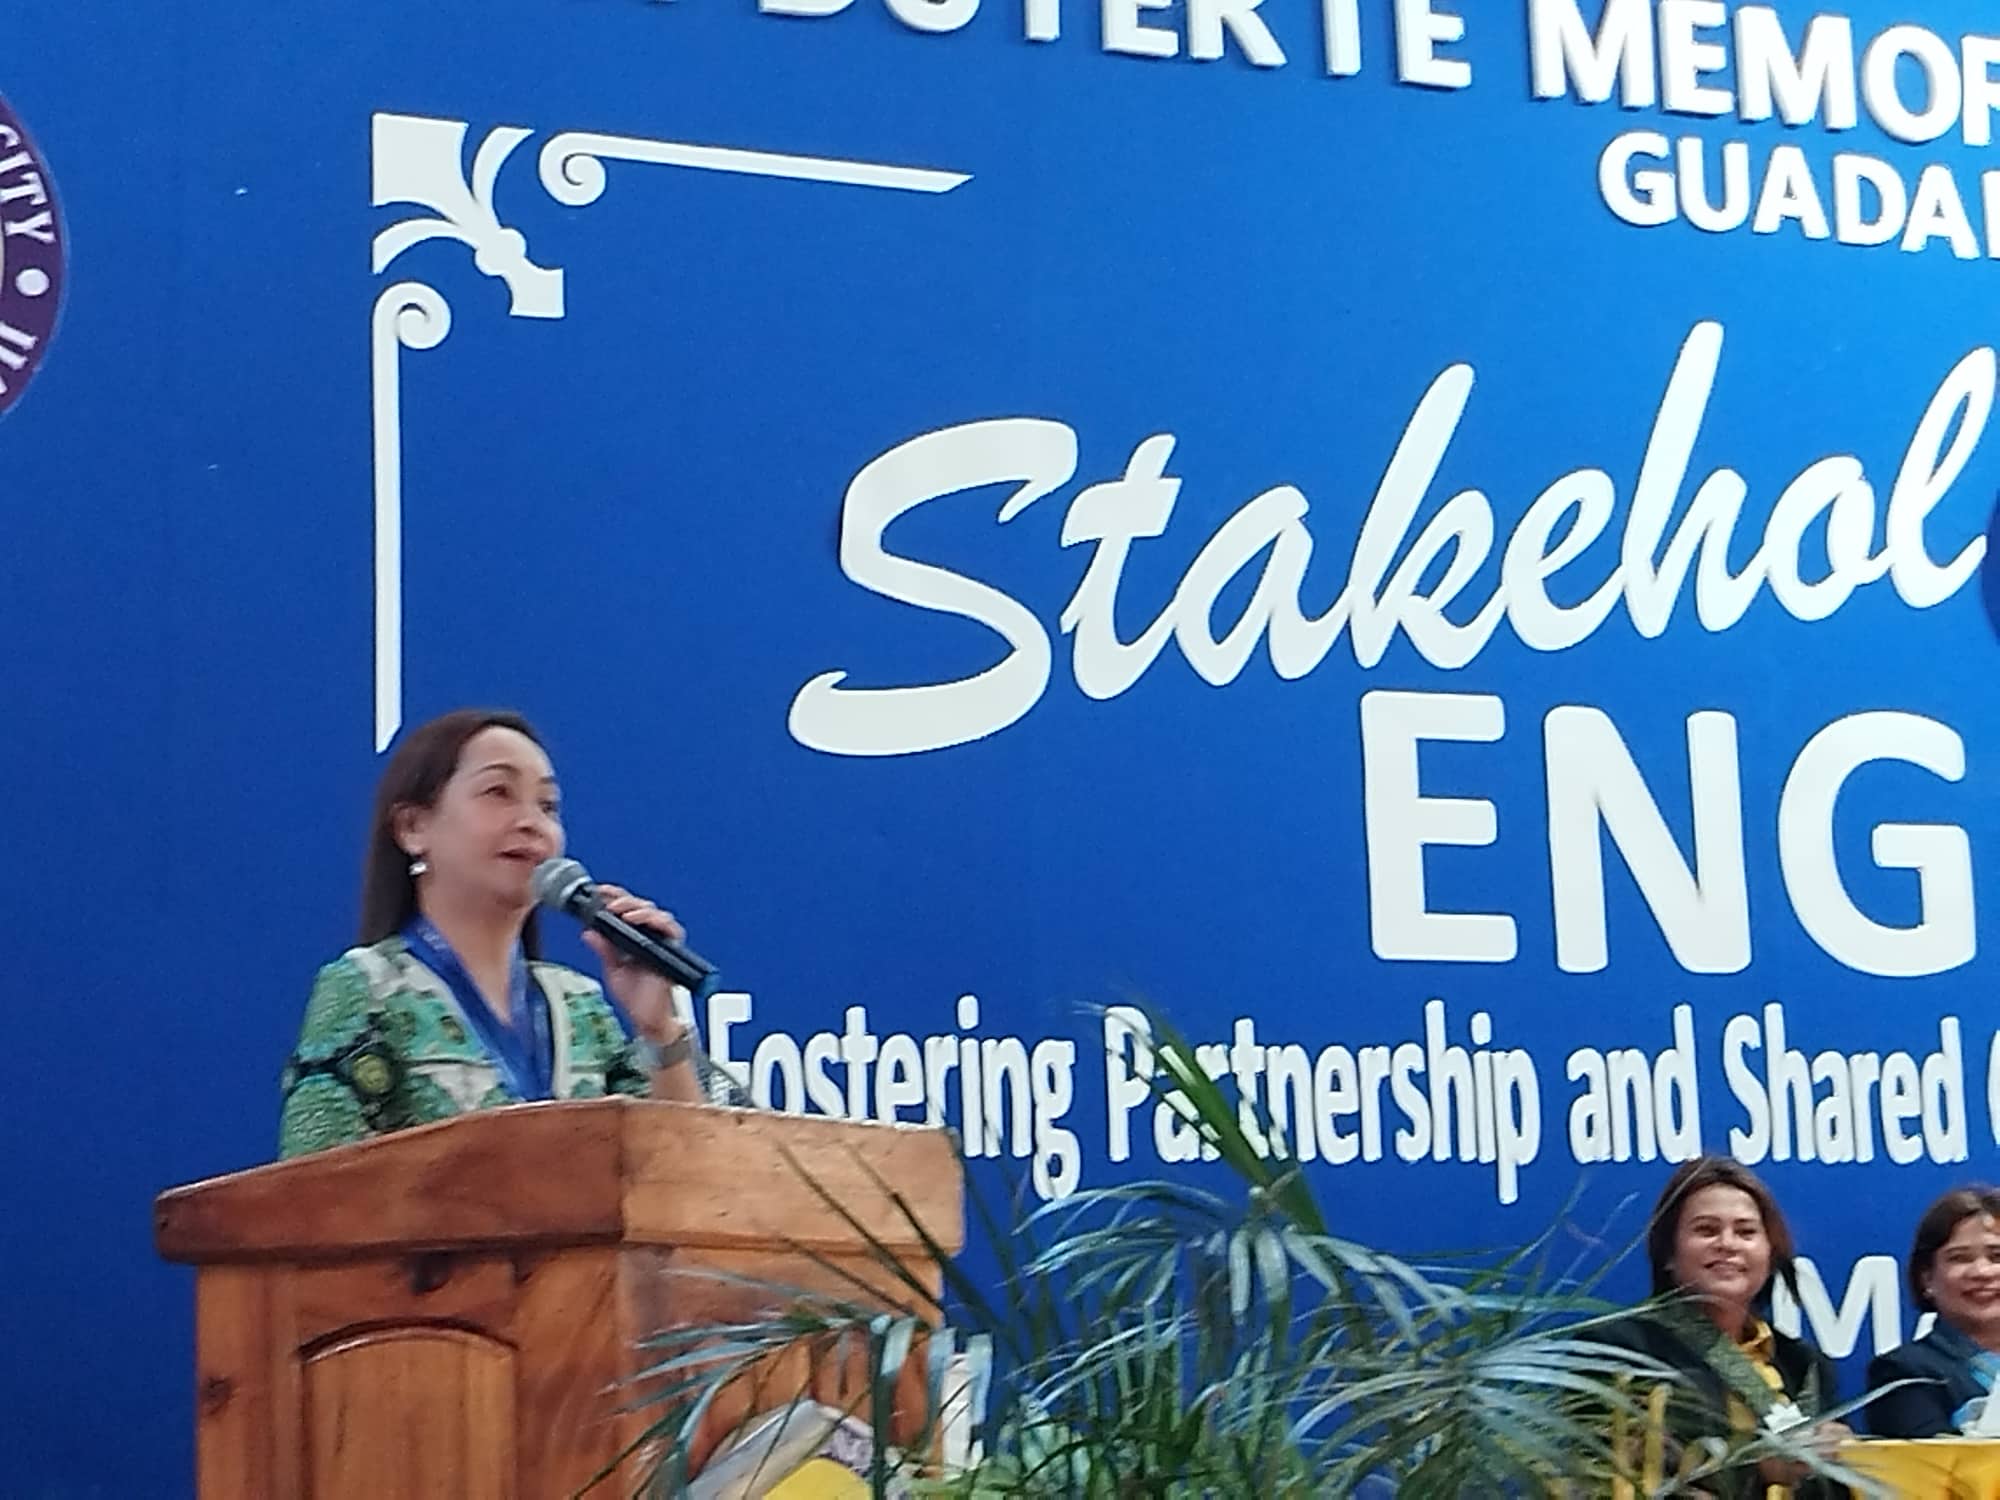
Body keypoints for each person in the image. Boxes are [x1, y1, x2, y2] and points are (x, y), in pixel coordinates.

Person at [279, 708, 739, 1158]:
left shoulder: (581, 1005)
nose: (531, 822)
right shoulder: (367, 986)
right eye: (498, 792)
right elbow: (310, 1187)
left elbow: (682, 1177)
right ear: (413, 827)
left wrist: (658, 1030)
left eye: (548, 805)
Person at [1594, 1156, 1852, 1499]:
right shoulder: (1618, 1351)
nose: (1727, 1244)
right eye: (1706, 1230)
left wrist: (1845, 1461)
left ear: (1769, 1254)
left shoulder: (1805, 1366)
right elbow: (1612, 1476)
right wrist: (1758, 1467)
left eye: (1746, 1232)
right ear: (1668, 1254)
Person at [1865, 1186, 2000, 1438]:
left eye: (1997, 1256)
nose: (1982, 1272)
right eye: (1960, 1258)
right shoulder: (1902, 1372)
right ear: (1927, 1278)